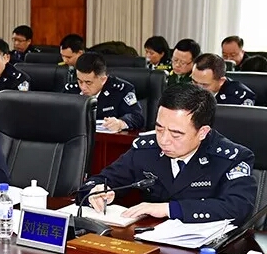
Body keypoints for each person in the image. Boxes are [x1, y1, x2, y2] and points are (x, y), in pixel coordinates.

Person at [80, 84, 256, 225]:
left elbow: (239, 207)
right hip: (150, 241)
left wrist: (170, 209)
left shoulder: (231, 158)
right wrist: (95, 192)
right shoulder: (146, 150)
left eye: (176, 134)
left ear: (202, 132)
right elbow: (97, 182)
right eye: (159, 128)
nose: (163, 140)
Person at [63, 52, 144, 131]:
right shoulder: (71, 90)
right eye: (80, 81)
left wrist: (121, 123)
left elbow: (137, 117)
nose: (83, 87)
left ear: (103, 80)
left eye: (88, 82)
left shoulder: (121, 90)